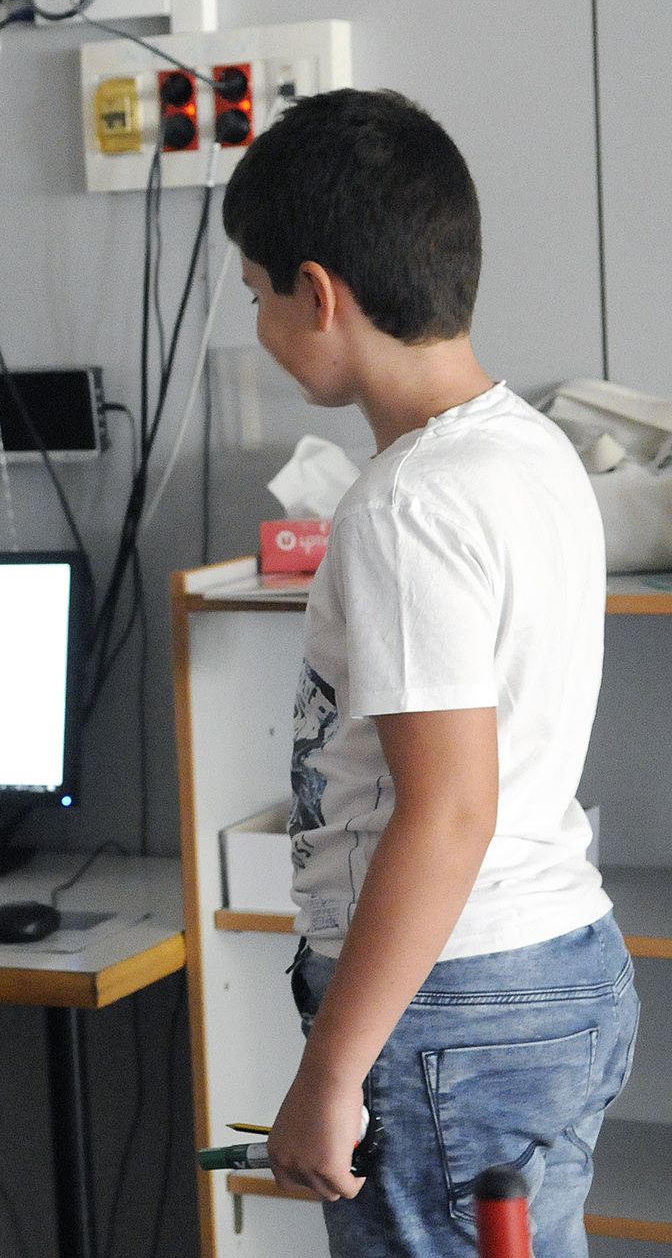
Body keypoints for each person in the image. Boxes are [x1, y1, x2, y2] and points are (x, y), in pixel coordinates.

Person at [223, 88, 637, 1255]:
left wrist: (329, 1070)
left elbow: (448, 809)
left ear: (317, 294)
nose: (258, 326)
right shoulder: (531, 449)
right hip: (558, 965)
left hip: (451, 1002)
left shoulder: (403, 504)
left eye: (256, 296)